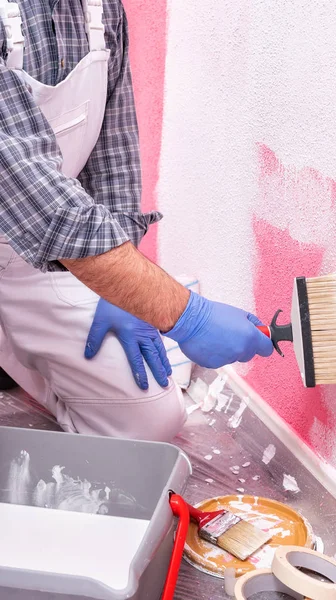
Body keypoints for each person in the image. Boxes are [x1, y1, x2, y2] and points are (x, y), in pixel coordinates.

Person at [0, 0, 273, 441]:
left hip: (39, 256)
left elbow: (113, 158)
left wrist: (124, 292)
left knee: (150, 422)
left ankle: (21, 350)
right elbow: (33, 199)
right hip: (42, 223)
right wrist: (186, 315)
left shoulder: (101, 8)